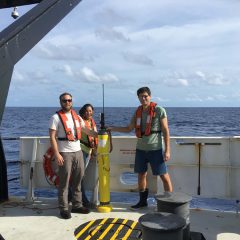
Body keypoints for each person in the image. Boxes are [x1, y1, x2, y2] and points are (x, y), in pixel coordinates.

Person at [108, 86, 173, 209]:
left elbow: (165, 130)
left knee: (163, 175)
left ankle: (170, 203)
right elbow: (128, 128)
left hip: (156, 149)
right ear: (138, 98)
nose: (143, 98)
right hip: (141, 149)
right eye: (141, 96)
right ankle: (143, 201)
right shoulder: (138, 111)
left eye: (145, 96)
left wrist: (167, 150)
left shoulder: (159, 110)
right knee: (141, 174)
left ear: (150, 96)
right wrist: (112, 128)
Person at [49, 92, 97, 219]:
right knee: (64, 182)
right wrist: (57, 154)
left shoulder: (77, 116)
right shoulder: (55, 117)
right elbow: (52, 137)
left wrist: (99, 134)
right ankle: (64, 208)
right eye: (64, 101)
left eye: (69, 100)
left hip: (78, 151)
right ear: (60, 102)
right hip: (65, 152)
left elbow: (85, 130)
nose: (67, 102)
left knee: (78, 180)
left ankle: (77, 205)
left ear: (72, 101)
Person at [79, 103, 98, 208]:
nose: (88, 113)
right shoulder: (80, 121)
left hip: (89, 151)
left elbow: (94, 139)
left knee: (81, 175)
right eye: (86, 111)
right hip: (81, 150)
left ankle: (76, 197)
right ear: (83, 112)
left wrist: (95, 151)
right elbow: (87, 132)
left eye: (90, 111)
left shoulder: (92, 122)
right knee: (79, 175)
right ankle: (83, 200)